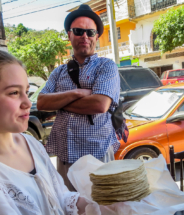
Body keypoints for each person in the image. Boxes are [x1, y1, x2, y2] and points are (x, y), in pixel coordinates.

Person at [0, 49, 89, 215]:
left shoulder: (30, 143)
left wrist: (99, 205)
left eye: (27, 92)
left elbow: (59, 197)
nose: (27, 103)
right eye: (14, 93)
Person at [37, 4, 120, 191]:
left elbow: (100, 104)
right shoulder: (58, 72)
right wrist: (76, 93)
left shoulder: (106, 67)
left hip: (97, 153)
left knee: (101, 206)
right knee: (70, 205)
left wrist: (60, 102)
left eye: (90, 32)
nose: (85, 36)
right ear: (69, 35)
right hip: (65, 154)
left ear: (96, 37)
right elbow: (42, 102)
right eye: (78, 31)